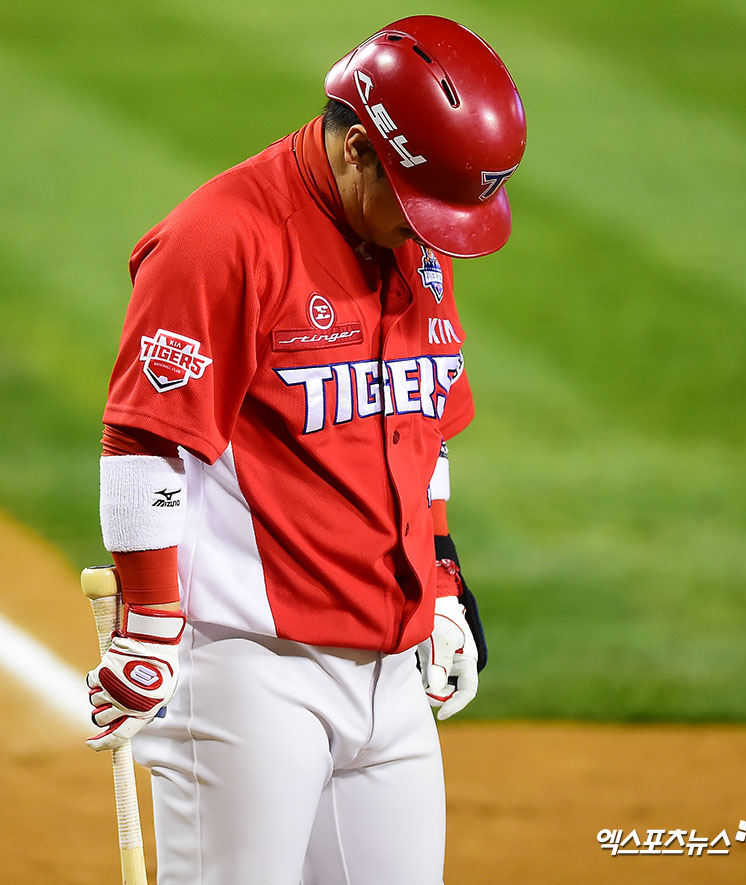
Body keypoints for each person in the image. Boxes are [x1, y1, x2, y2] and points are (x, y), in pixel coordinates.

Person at [86, 14, 526, 884]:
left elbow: (419, 424)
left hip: (392, 672)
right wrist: (148, 623)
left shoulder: (411, 238)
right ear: (361, 148)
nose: (433, 234)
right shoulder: (221, 238)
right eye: (422, 205)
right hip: (249, 673)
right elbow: (144, 438)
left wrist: (441, 580)